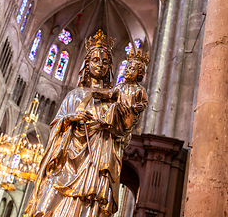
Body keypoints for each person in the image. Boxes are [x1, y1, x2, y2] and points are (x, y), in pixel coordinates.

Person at [24, 30, 145, 217]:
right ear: (87, 64)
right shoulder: (74, 95)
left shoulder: (113, 100)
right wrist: (71, 119)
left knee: (89, 205)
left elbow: (124, 134)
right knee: (49, 204)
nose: (100, 65)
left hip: (96, 163)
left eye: (105, 62)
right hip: (67, 160)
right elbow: (56, 125)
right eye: (95, 60)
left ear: (111, 68)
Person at [94, 51, 149, 143]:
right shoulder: (120, 86)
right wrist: (100, 95)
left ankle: (125, 134)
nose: (127, 70)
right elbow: (110, 94)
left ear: (139, 74)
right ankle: (106, 122)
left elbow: (144, 102)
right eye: (127, 68)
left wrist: (139, 107)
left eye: (131, 69)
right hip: (119, 113)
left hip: (129, 113)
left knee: (118, 108)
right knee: (115, 105)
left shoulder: (140, 89)